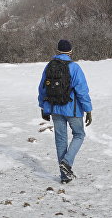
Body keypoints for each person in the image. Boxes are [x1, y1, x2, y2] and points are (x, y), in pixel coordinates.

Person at [38, 39, 93, 183]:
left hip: (55, 108)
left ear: (57, 50)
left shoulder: (49, 66)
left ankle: (64, 177)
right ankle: (67, 163)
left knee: (60, 140)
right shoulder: (74, 67)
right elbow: (82, 91)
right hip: (72, 109)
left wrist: (43, 106)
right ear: (70, 51)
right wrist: (88, 110)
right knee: (79, 134)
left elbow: (42, 89)